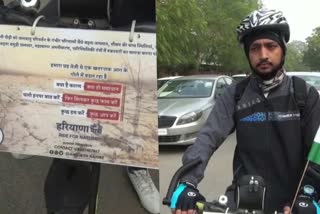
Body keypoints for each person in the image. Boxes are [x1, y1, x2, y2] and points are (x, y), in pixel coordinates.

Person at [170, 9, 320, 214]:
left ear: (282, 49)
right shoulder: (236, 94)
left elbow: (317, 152)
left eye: (271, 46)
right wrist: (187, 181)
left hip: (294, 200)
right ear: (248, 54)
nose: (263, 55)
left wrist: (309, 194)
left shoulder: (303, 94)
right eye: (255, 48)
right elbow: (208, 136)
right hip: (245, 198)